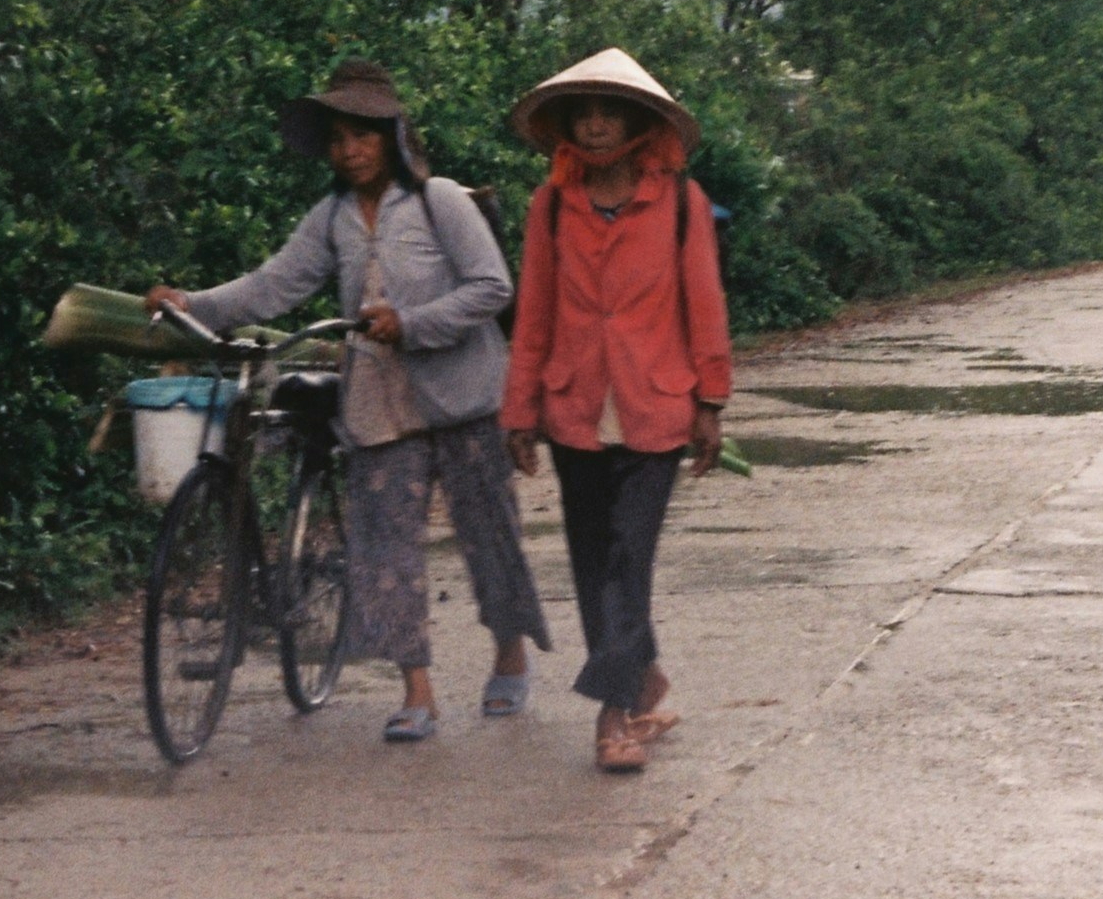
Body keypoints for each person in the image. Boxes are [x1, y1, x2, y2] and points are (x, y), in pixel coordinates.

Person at [147, 59, 550, 744]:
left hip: (460, 395)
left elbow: (492, 288)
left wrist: (412, 322)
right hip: (378, 399)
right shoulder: (330, 216)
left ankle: (508, 650)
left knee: (490, 537)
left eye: (362, 133)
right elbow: (271, 285)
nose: (349, 149)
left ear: (392, 135)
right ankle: (415, 687)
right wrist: (194, 305)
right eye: (337, 137)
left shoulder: (439, 200)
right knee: (383, 546)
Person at [499, 49, 732, 776]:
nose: (596, 125)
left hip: (654, 408)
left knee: (628, 560)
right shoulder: (551, 206)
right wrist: (519, 408)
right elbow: (532, 308)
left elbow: (704, 305)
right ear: (568, 125)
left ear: (636, 123)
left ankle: (614, 715)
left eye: (610, 112)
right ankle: (646, 680)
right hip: (575, 406)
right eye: (584, 113)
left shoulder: (681, 203)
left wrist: (710, 403)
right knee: (592, 560)